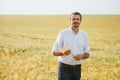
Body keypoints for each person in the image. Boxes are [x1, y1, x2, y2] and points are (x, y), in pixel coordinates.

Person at [52, 12, 90, 80]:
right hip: (64, 68)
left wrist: (81, 56)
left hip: (77, 69)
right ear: (70, 21)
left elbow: (87, 54)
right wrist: (63, 52)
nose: (75, 21)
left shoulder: (84, 35)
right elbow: (54, 51)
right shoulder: (63, 33)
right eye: (73, 19)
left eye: (77, 19)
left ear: (80, 21)